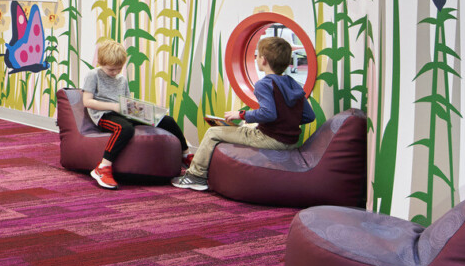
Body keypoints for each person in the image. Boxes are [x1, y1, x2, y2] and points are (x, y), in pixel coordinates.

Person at [172, 34, 314, 191]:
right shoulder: (293, 83)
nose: (256, 58)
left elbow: (269, 114)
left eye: (258, 55)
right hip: (291, 141)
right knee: (247, 127)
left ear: (264, 60)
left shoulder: (264, 84)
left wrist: (241, 115)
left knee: (213, 132)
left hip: (270, 139)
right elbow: (309, 116)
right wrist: (286, 119)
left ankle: (195, 177)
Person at [81, 37, 187, 190]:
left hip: (122, 111)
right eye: (111, 69)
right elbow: (87, 102)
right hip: (103, 114)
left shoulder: (122, 79)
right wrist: (114, 107)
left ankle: (186, 155)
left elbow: (127, 102)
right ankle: (103, 167)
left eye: (119, 68)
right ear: (100, 63)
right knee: (125, 128)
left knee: (167, 120)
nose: (115, 72)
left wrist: (144, 111)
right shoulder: (93, 75)